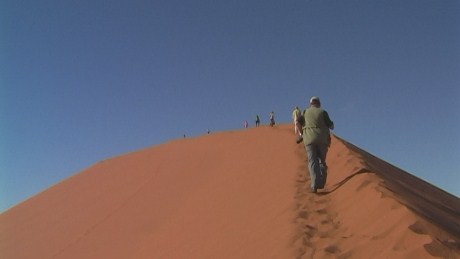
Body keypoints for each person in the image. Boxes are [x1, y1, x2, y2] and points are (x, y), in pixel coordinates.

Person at [302, 96, 334, 193]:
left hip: (309, 140)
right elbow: (331, 126)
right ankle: (321, 183)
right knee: (321, 161)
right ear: (319, 103)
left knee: (312, 161)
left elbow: (298, 122)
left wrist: (301, 133)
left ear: (310, 103)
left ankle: (314, 185)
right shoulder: (323, 112)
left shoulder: (305, 112)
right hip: (322, 140)